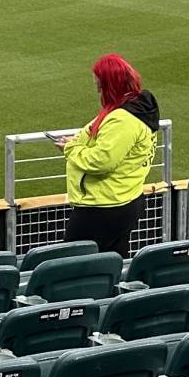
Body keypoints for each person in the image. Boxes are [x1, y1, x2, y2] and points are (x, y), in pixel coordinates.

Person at [59, 54, 158, 257]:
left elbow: (101, 161)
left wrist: (70, 149)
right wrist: (76, 142)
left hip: (103, 207)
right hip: (122, 201)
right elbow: (90, 134)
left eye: (98, 80)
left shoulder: (122, 119)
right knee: (110, 262)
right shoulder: (129, 109)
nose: (96, 85)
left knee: (71, 264)